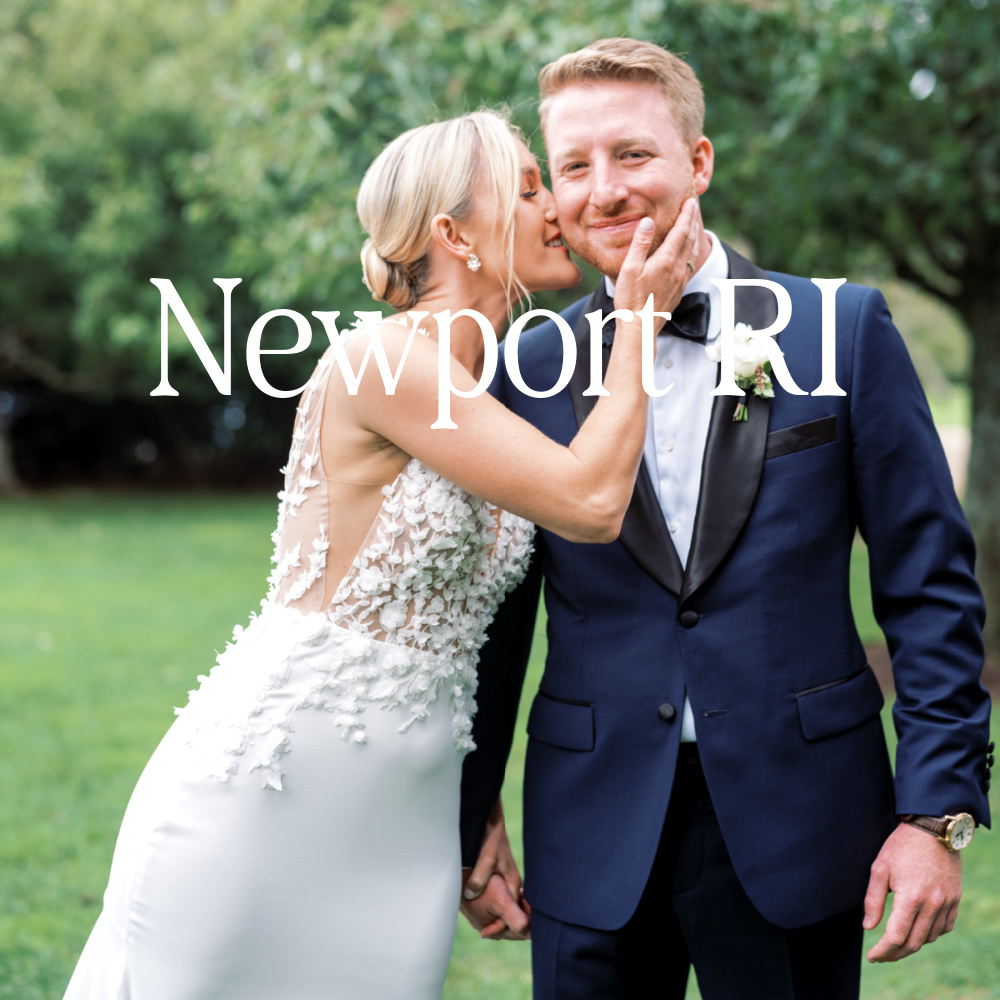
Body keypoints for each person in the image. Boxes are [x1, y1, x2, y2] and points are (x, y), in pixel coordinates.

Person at [62, 109, 702, 1000]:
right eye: (526, 188)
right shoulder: (386, 362)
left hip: (406, 810)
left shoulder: (493, 387)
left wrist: (476, 805)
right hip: (277, 792)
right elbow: (592, 504)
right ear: (452, 234)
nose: (556, 205)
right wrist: (641, 321)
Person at [459, 40, 993, 1000]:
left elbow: (928, 589)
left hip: (804, 822)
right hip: (592, 825)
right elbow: (498, 622)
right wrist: (472, 815)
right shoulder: (526, 371)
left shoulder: (842, 331)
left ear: (698, 163)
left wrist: (935, 816)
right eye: (574, 166)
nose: (605, 190)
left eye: (633, 155)